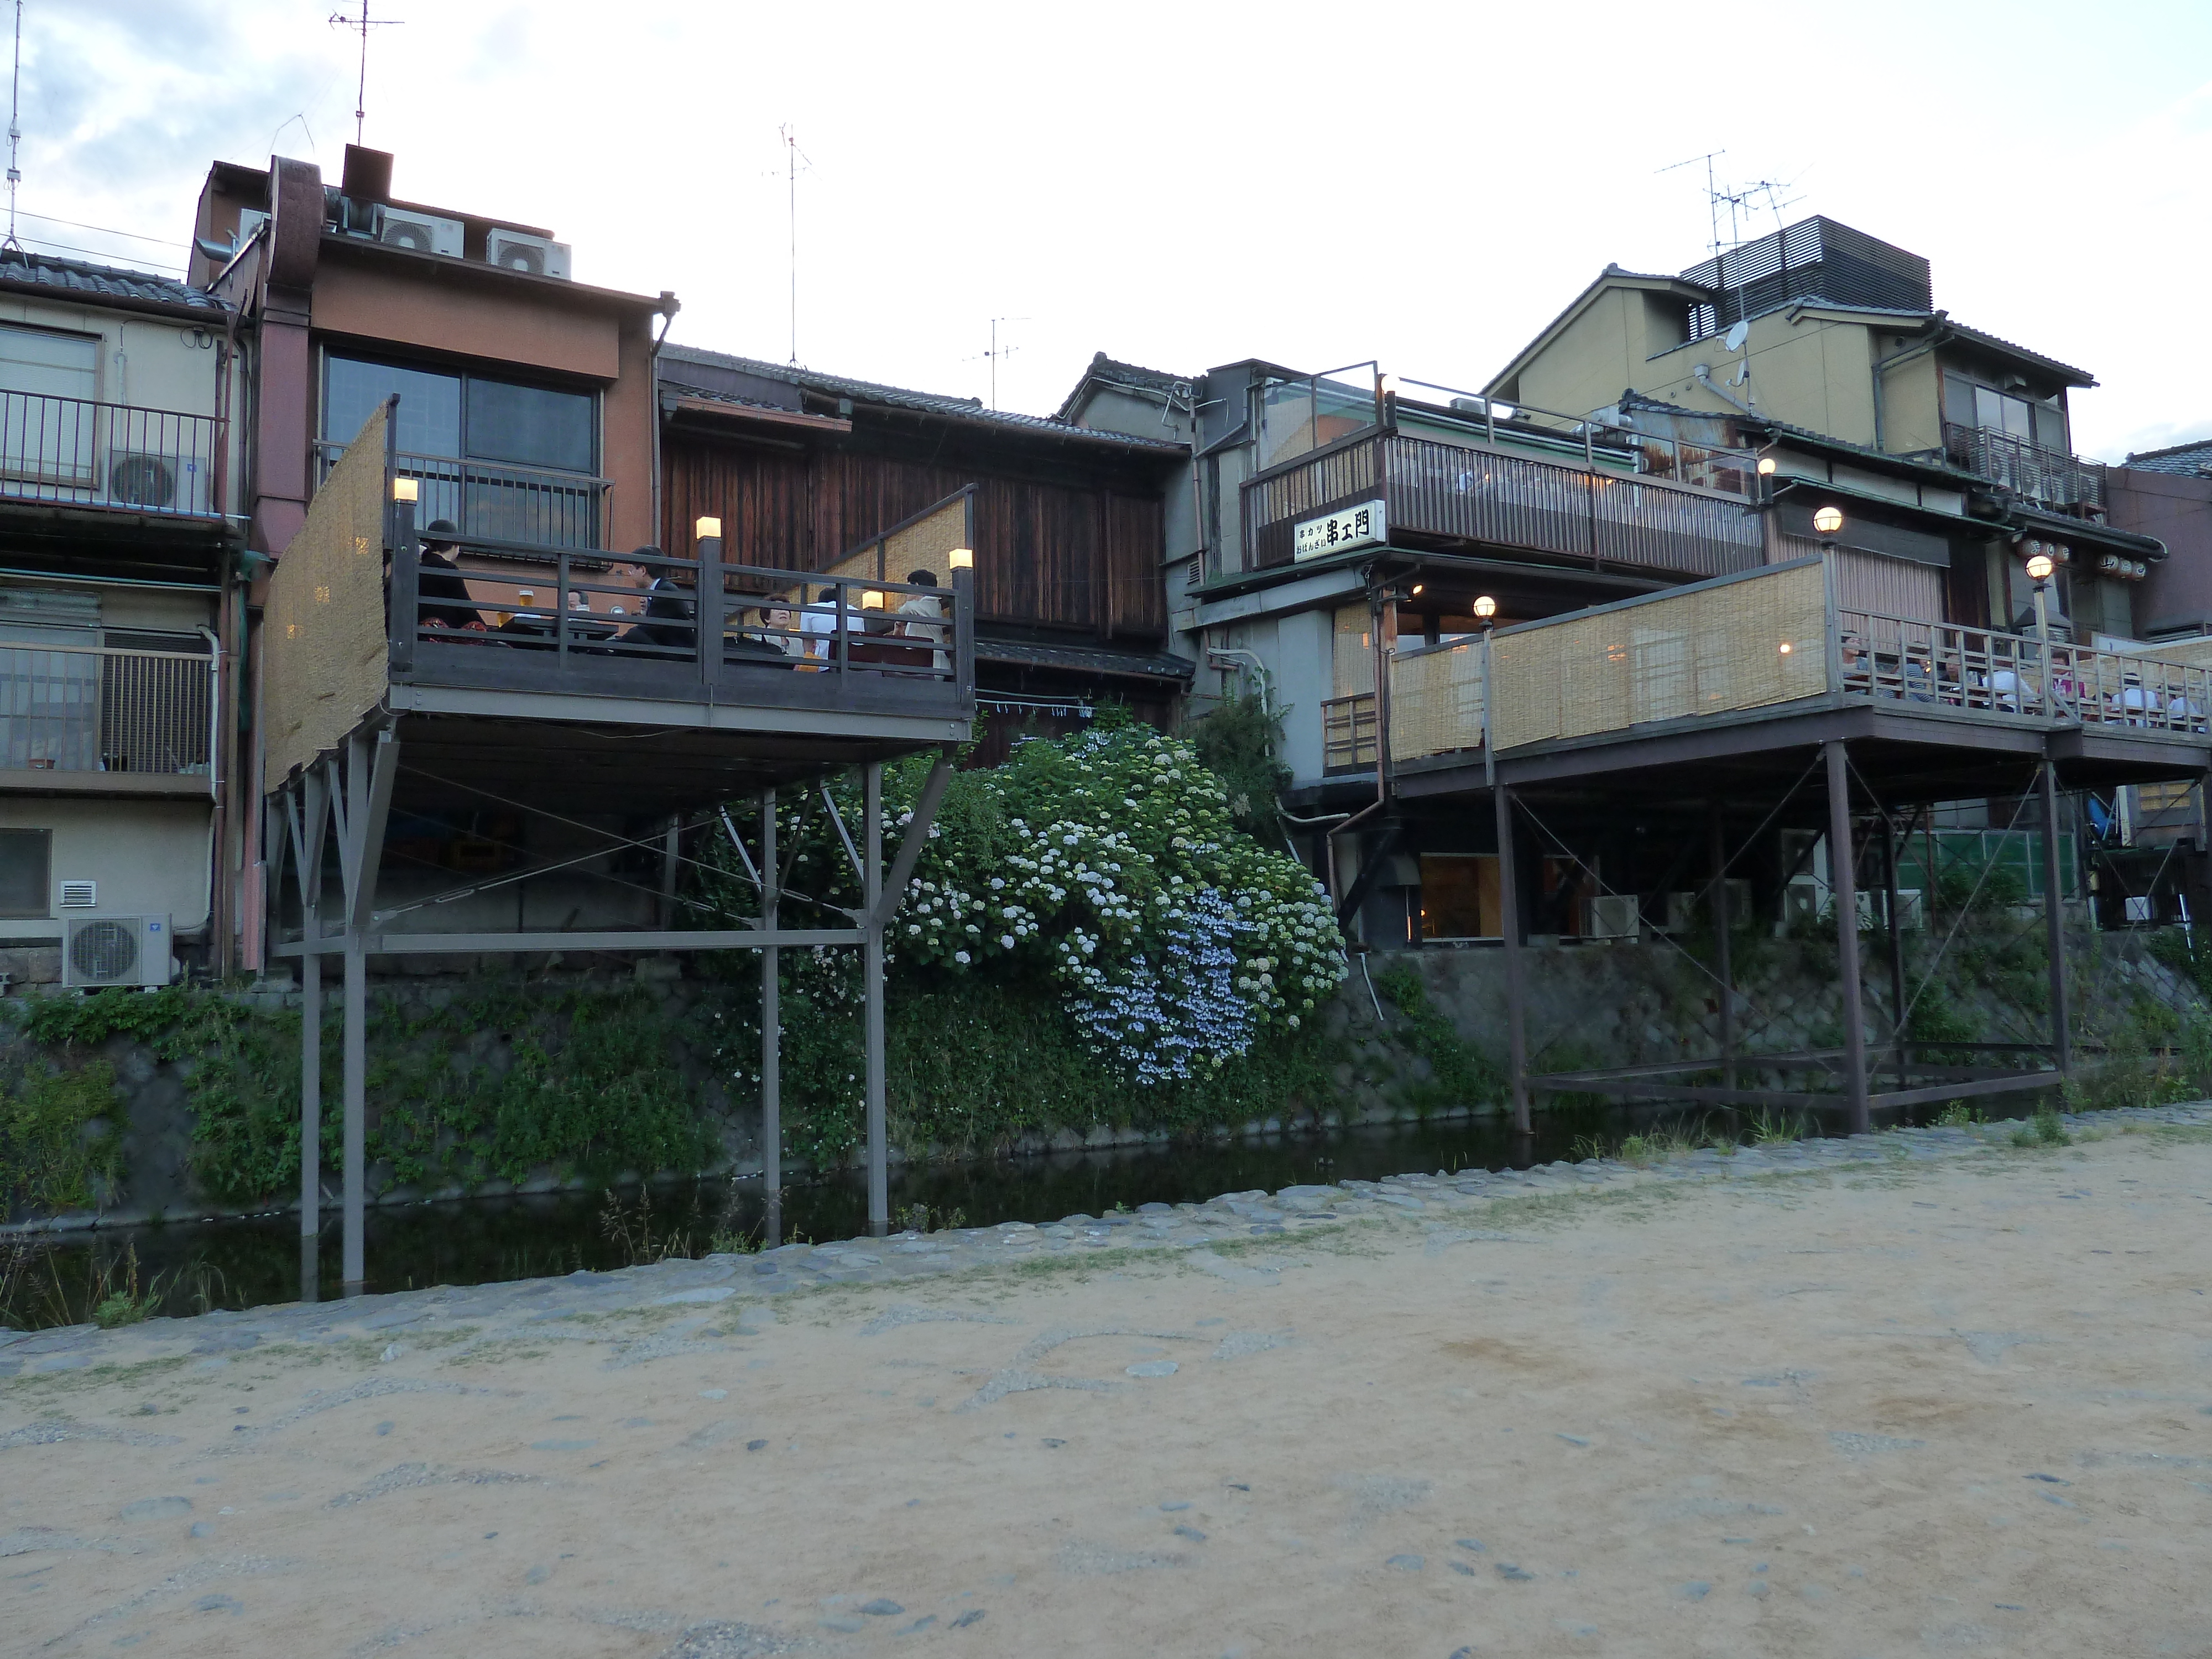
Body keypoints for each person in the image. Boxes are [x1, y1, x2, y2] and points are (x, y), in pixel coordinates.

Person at [415, 519, 487, 633]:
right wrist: (490, 633)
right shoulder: (448, 569)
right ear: (456, 545)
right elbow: (467, 610)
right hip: (445, 634)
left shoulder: (419, 568)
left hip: (421, 631)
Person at [894, 567, 950, 675]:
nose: (907, 594)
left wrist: (899, 623)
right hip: (923, 666)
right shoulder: (918, 610)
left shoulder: (931, 604)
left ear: (917, 586)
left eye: (909, 589)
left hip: (932, 668)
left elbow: (907, 608)